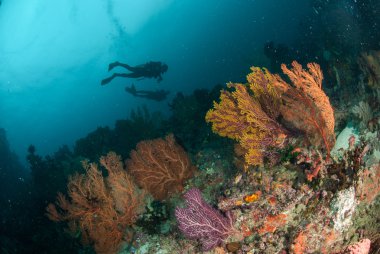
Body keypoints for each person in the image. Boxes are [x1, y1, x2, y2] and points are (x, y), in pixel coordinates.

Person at [101, 61, 168, 85]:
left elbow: (159, 76)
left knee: (127, 75)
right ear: (162, 67)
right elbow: (149, 63)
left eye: (163, 71)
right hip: (141, 70)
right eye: (163, 69)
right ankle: (118, 63)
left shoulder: (158, 72)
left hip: (141, 74)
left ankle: (115, 75)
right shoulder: (157, 65)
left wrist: (160, 79)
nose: (162, 71)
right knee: (130, 68)